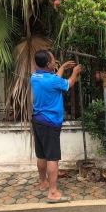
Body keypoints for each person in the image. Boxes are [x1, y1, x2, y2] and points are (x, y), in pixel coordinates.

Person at [31, 49, 82, 203]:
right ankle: (53, 193)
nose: (55, 61)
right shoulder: (53, 81)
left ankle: (43, 183)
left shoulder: (35, 76)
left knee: (42, 155)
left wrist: (61, 69)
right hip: (50, 123)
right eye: (53, 60)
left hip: (38, 120)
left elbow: (54, 80)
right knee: (52, 158)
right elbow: (69, 83)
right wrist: (75, 72)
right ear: (48, 64)